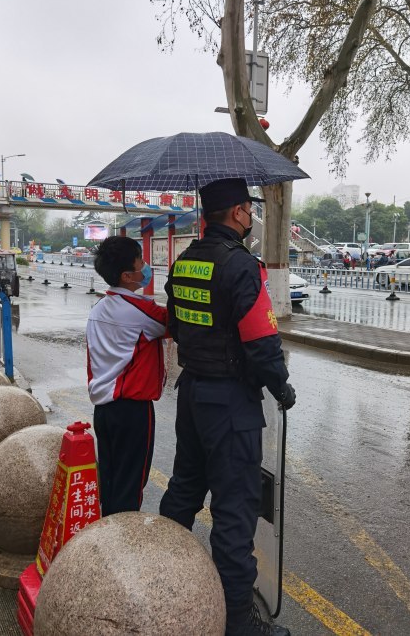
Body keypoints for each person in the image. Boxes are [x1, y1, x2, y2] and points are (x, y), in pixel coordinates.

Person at [160, 178, 295, 636]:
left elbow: (175, 326)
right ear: (238, 213)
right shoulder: (241, 266)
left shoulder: (184, 263)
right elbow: (262, 342)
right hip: (231, 402)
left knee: (183, 491)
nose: (250, 218)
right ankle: (238, 623)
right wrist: (281, 386)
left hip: (193, 393)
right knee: (235, 511)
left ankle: (159, 581)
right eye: (249, 211)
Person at [86, 236, 168, 517]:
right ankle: (122, 548)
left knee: (109, 480)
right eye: (141, 262)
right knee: (131, 485)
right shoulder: (142, 311)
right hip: (133, 411)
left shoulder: (98, 309)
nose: (146, 267)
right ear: (127, 275)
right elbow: (177, 323)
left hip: (104, 410)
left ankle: (106, 533)